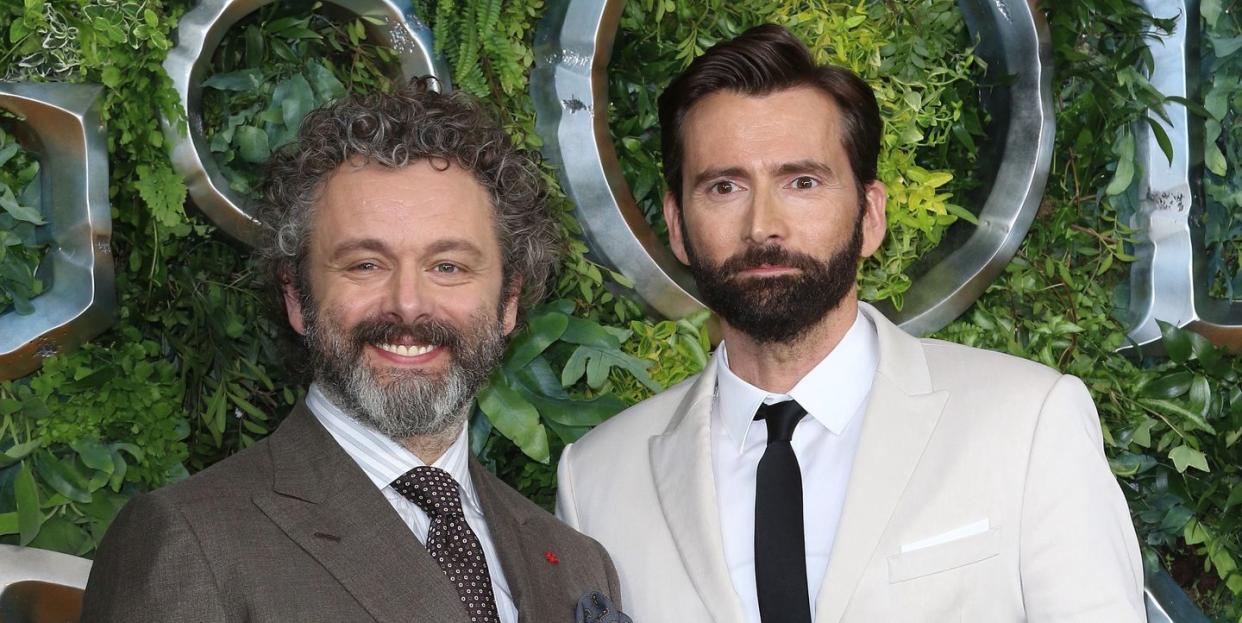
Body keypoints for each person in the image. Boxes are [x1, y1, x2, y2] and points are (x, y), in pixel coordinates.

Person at [556, 24, 1144, 623]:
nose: (763, 225)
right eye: (725, 186)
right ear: (678, 226)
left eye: (802, 182)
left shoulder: (1027, 423)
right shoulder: (597, 481)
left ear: (869, 217)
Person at [82, 80, 622, 622]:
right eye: (366, 264)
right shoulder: (189, 539)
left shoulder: (576, 564)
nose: (408, 306)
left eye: (448, 267)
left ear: (508, 302)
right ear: (297, 296)